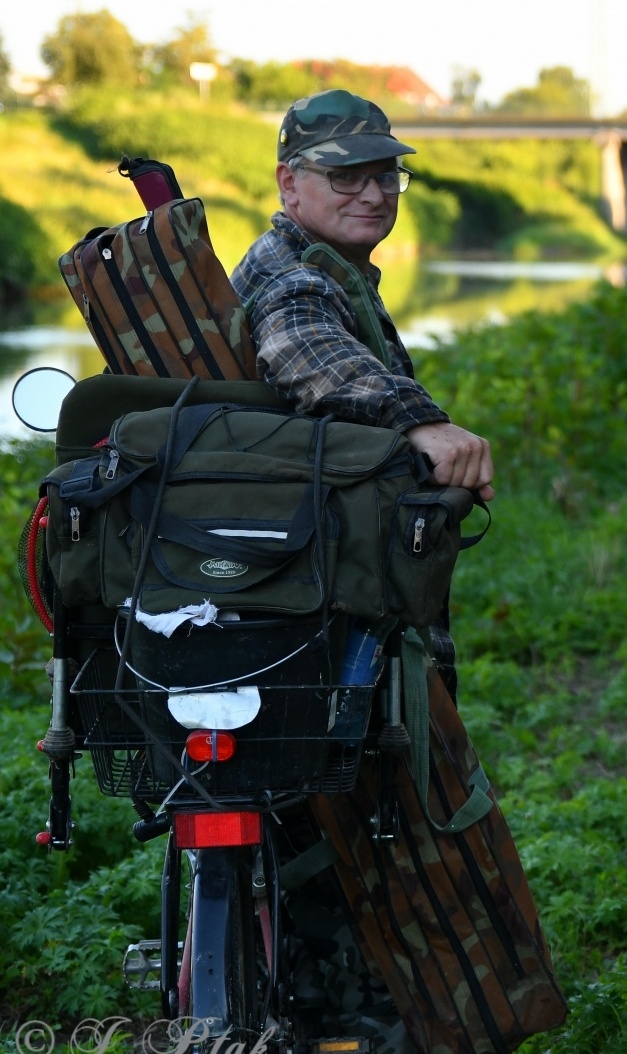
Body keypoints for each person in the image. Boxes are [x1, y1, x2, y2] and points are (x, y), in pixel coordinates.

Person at [232, 88, 495, 700]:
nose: (373, 196)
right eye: (345, 176)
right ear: (289, 183)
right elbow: (304, 346)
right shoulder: (293, 275)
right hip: (299, 572)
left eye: (385, 176)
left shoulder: (322, 261)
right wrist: (421, 423)